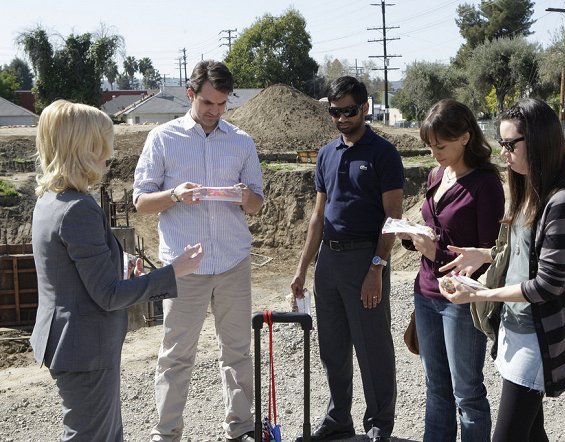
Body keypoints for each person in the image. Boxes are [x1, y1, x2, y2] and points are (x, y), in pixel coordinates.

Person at [30, 99, 204, 442]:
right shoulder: (78, 209)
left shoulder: (51, 201)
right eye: (102, 144)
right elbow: (107, 295)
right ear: (84, 148)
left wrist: (122, 273)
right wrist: (173, 271)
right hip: (85, 347)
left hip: (71, 343)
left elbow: (78, 278)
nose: (108, 154)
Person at [439, 98, 565, 441]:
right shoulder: (528, 191)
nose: (504, 152)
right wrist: (483, 255)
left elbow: (547, 285)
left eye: (511, 143)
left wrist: (480, 293)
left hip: (536, 341)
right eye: (502, 143)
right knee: (532, 434)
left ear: (538, 142)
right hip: (515, 329)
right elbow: (522, 253)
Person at [133, 60, 264, 442]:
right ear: (190, 94)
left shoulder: (241, 141)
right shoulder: (162, 138)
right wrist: (174, 195)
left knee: (237, 352)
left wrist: (245, 197)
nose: (215, 111)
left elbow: (258, 201)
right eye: (208, 102)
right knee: (175, 355)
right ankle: (167, 433)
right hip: (184, 267)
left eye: (222, 104)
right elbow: (140, 200)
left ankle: (240, 428)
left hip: (232, 262)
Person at [290, 76, 404, 442]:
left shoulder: (383, 154)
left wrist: (377, 267)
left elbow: (392, 219)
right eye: (334, 112)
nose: (341, 118)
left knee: (372, 349)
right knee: (333, 347)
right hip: (329, 262)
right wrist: (302, 269)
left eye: (349, 111)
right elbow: (317, 217)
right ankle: (339, 418)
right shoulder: (326, 155)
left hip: (364, 260)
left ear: (365, 108)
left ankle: (379, 425)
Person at [396, 99, 505, 441]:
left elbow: (491, 253)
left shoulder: (486, 184)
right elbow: (438, 227)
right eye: (429, 147)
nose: (434, 154)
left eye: (440, 146)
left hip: (462, 299)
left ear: (465, 138)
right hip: (426, 292)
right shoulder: (435, 174)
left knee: (467, 394)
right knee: (436, 389)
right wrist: (413, 238)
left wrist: (436, 249)